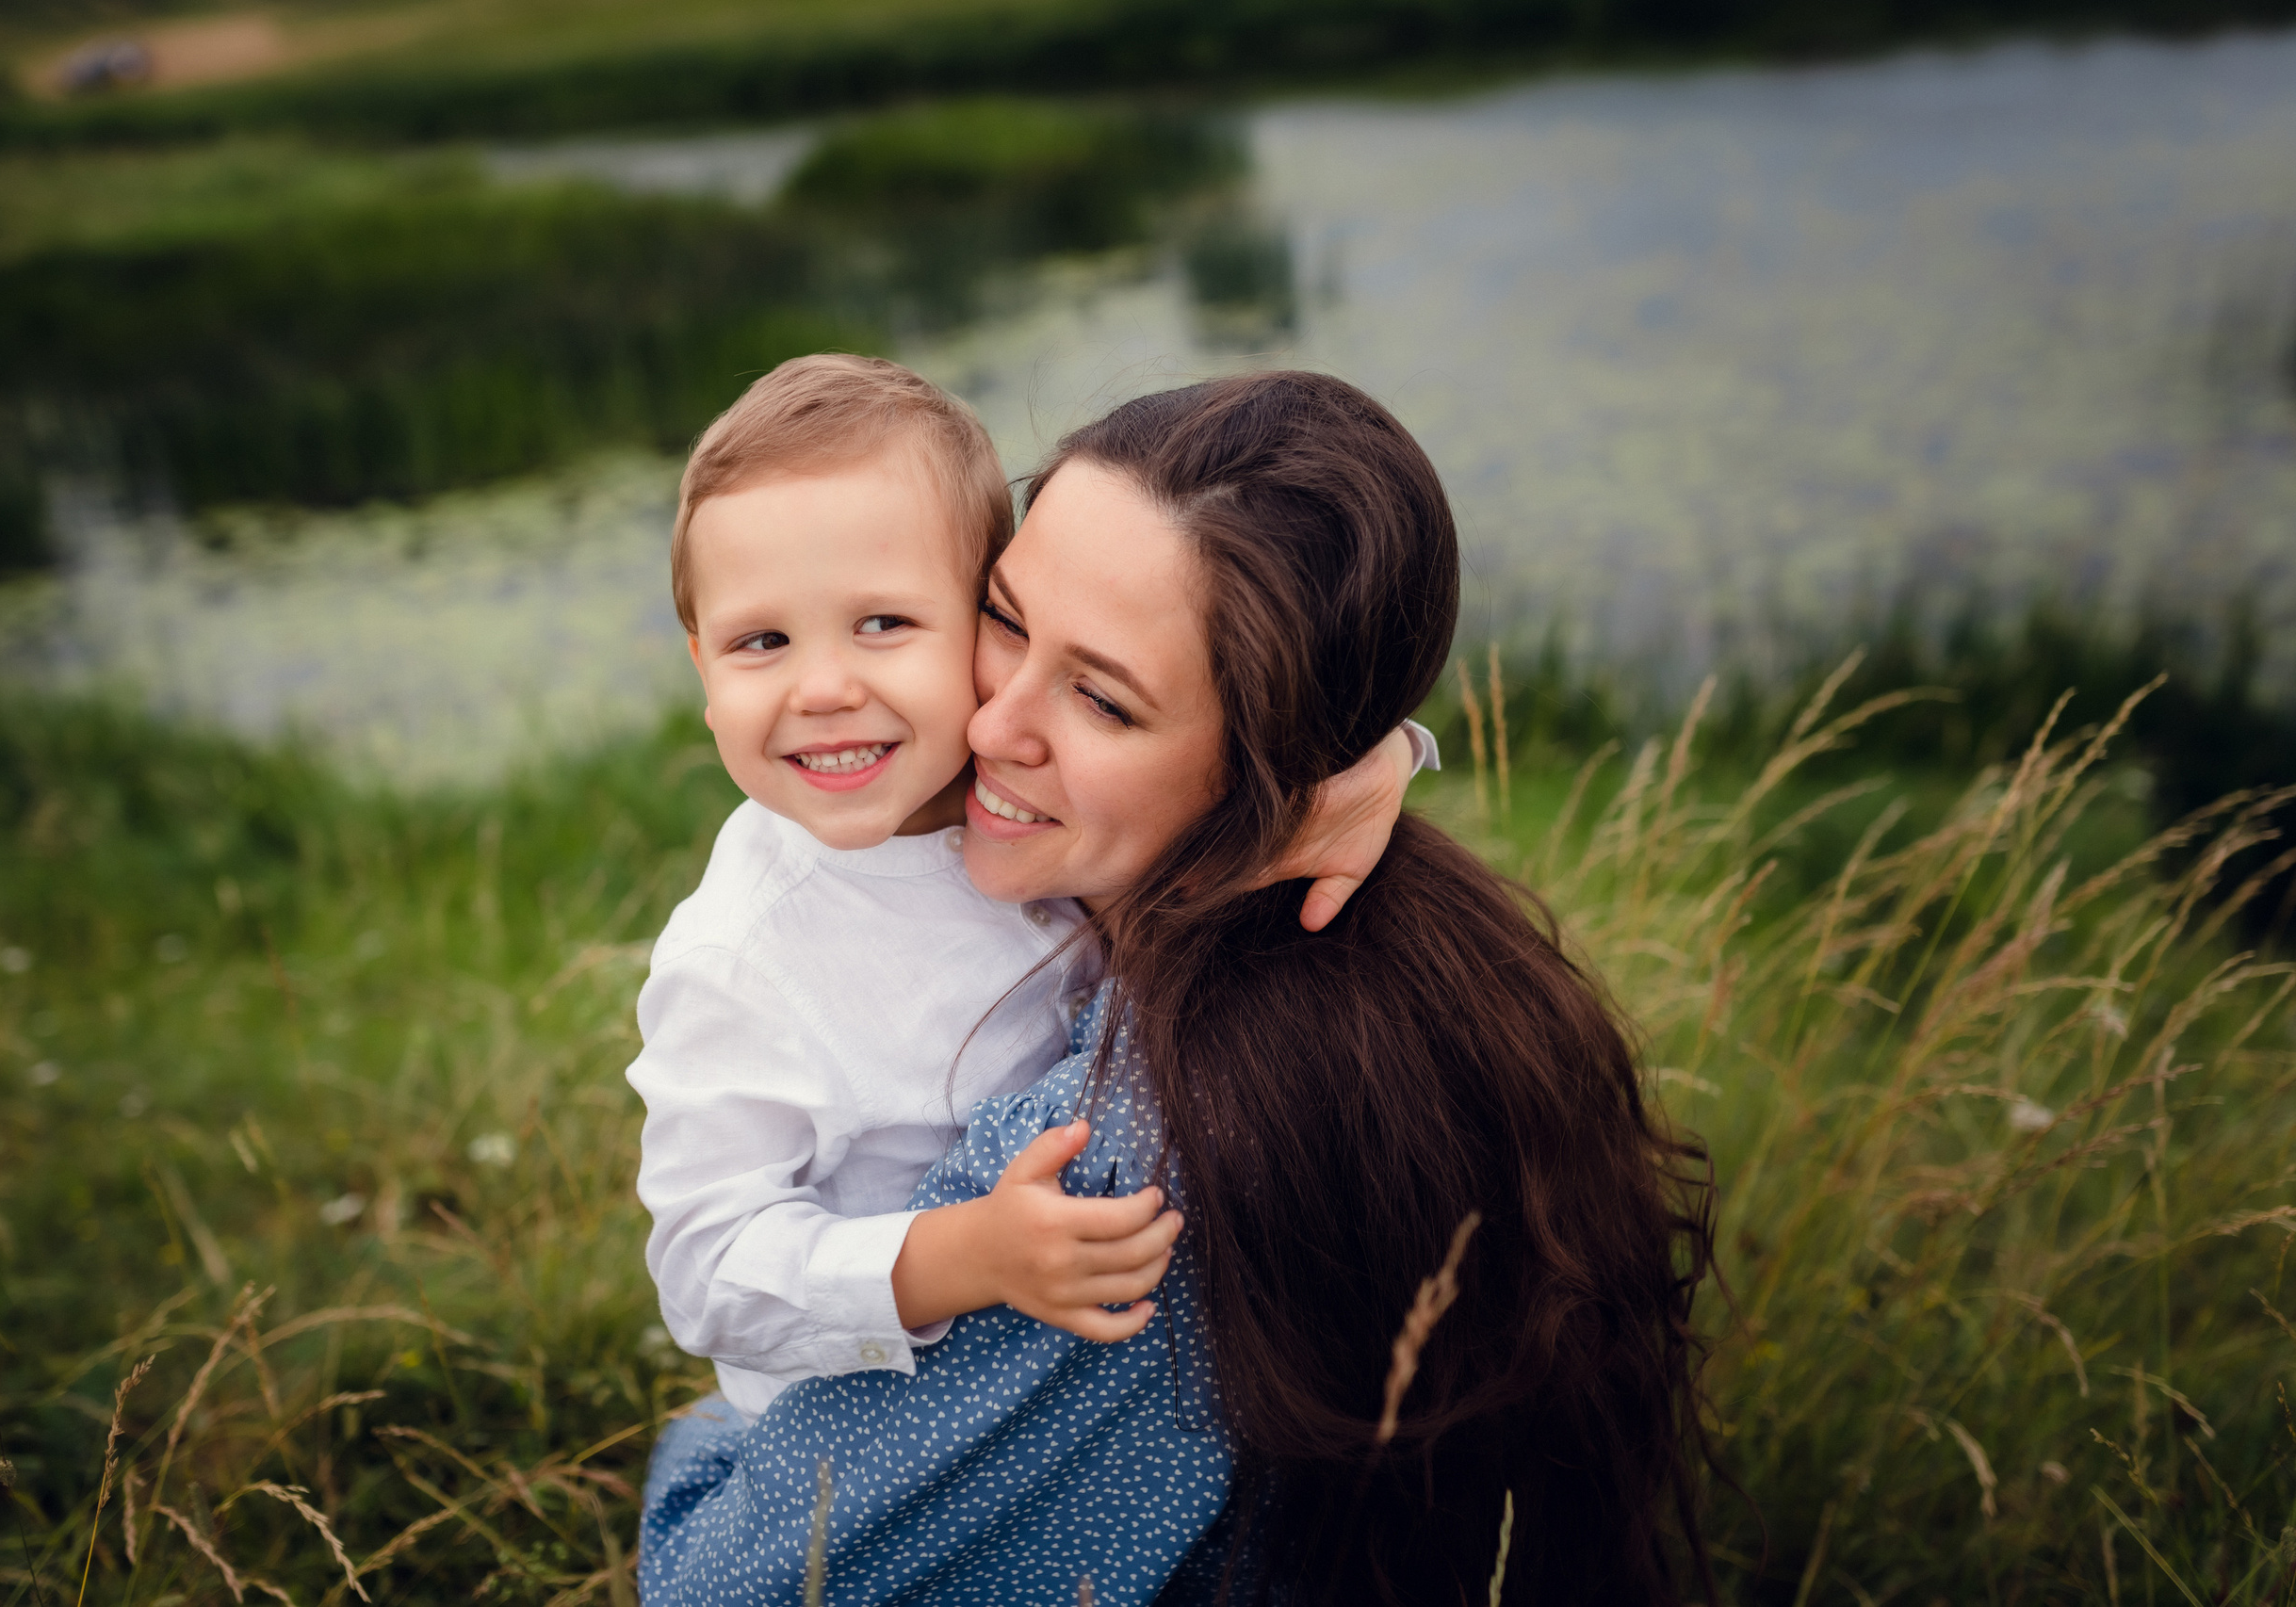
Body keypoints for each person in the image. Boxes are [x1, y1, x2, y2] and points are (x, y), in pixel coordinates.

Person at [640, 370, 1717, 1606]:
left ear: (1257, 758)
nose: (989, 729)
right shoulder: (850, 900)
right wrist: (1368, 756)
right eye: (1004, 618)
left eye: (1102, 697)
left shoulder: (1130, 1149)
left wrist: (1351, 756)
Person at [628, 355, 1429, 1426]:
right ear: (702, 666)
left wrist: (1372, 758)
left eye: (884, 623)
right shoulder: (744, 959)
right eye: (760, 641)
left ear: (966, 613)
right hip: (876, 1435)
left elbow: (1212, 682)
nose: (822, 689)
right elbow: (705, 1273)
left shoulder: (995, 779)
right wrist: (961, 1255)